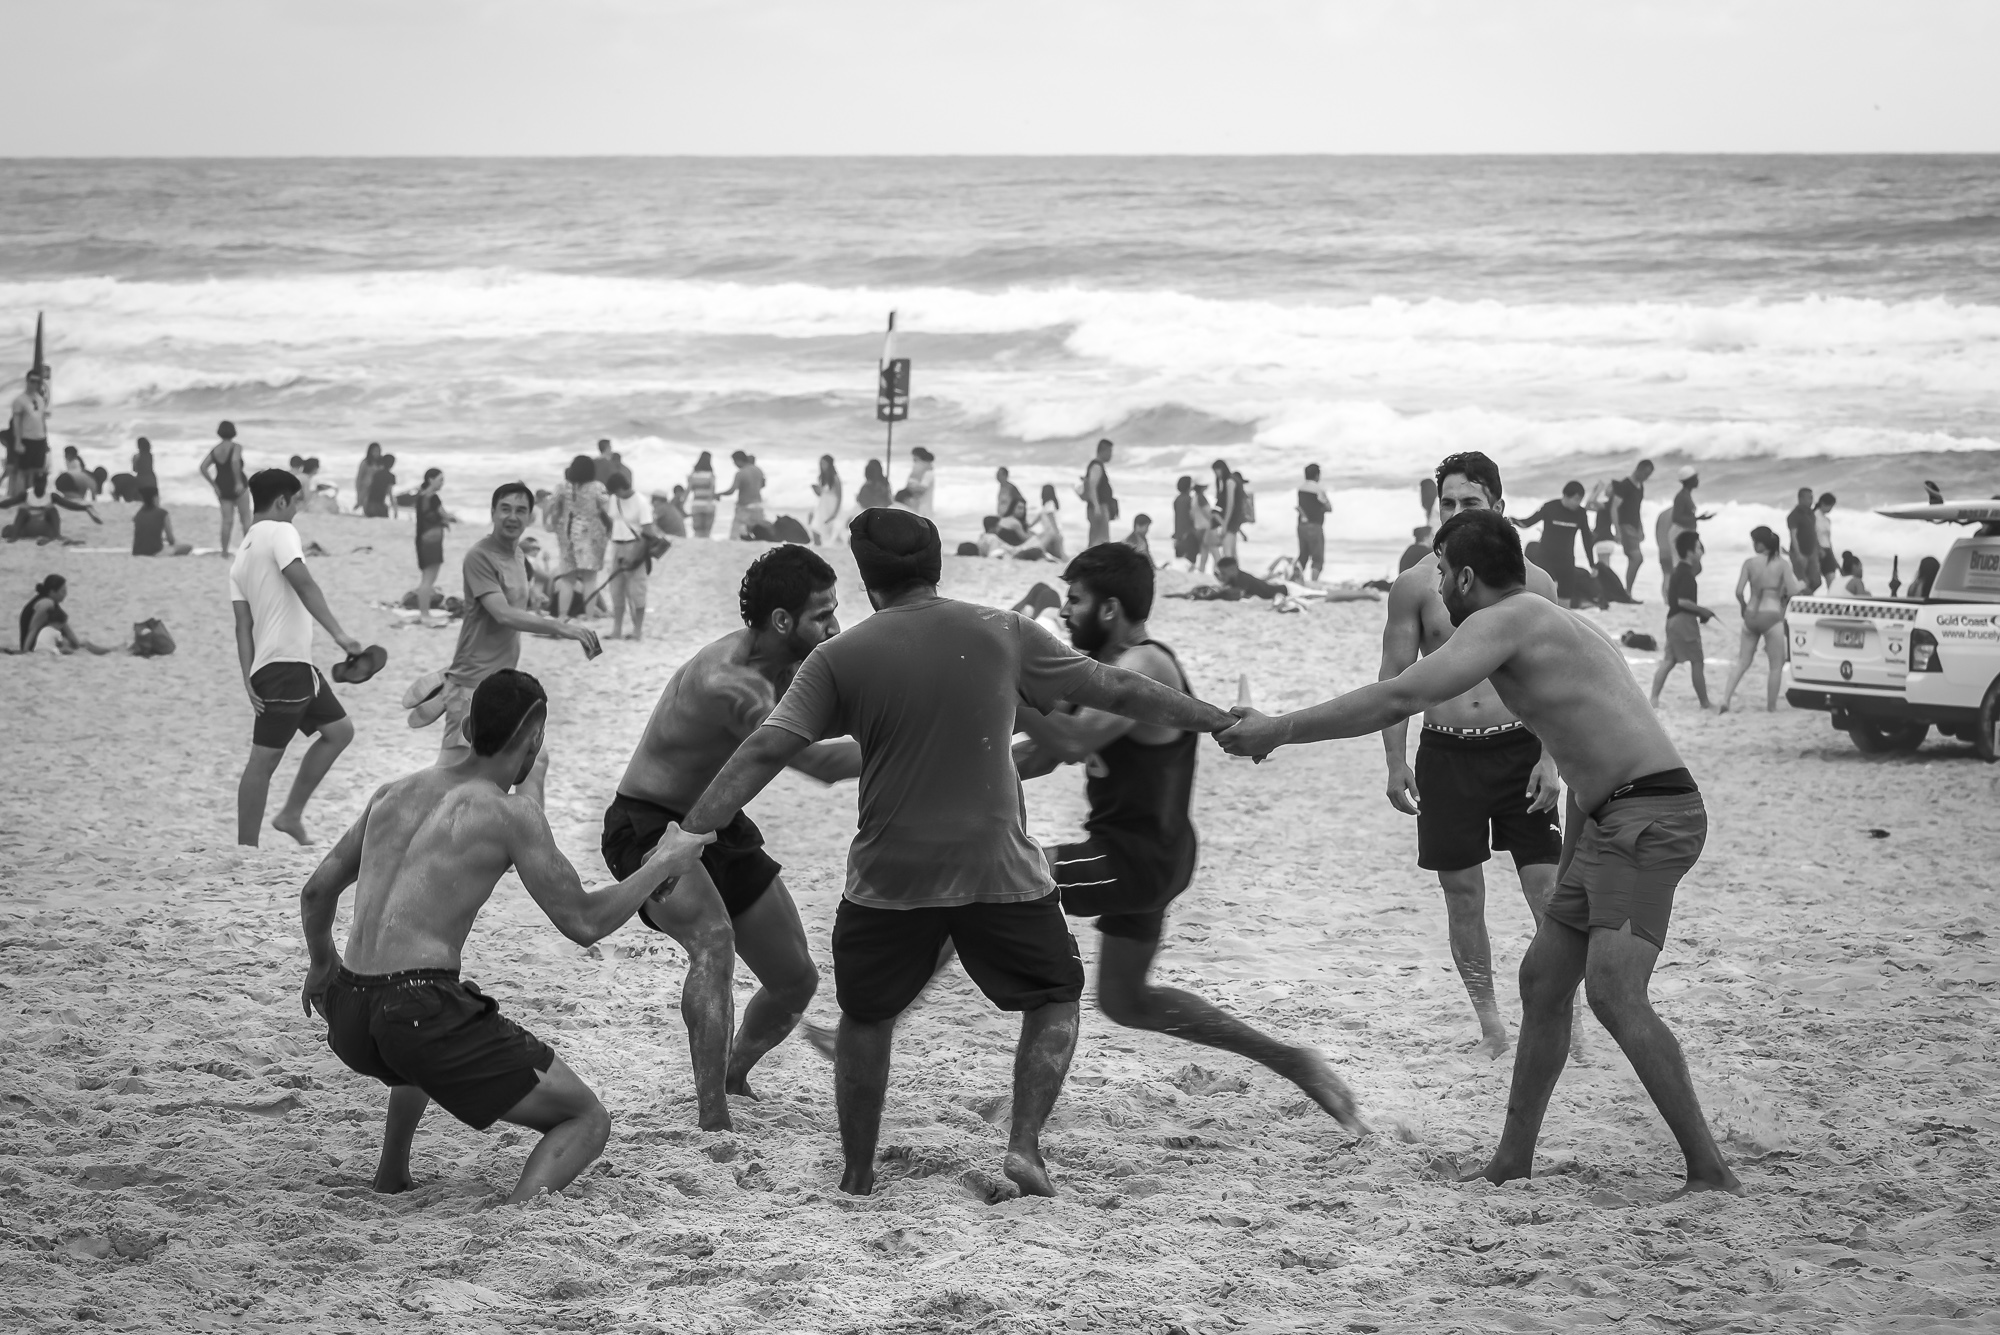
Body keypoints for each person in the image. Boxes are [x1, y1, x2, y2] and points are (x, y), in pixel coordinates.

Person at [676, 508, 1239, 1200]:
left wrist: (693, 829)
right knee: (1057, 996)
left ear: (867, 579)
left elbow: (768, 748)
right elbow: (1116, 686)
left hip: (889, 877)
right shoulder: (1002, 630)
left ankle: (857, 1173)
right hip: (997, 870)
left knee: (866, 1016)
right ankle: (1025, 1146)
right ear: (937, 565)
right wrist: (1218, 719)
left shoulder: (838, 657)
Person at [1219, 508, 1740, 1196]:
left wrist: (1278, 729)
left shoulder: (1506, 620)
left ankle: (1710, 1171)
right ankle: (1512, 1161)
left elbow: (1399, 694)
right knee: (1544, 981)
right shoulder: (1555, 623)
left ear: (1465, 575)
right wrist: (1578, 869)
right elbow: (1590, 757)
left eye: (1439, 570)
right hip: (1613, 813)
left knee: (1614, 993)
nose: (1436, 583)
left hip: (1649, 815)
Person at [300, 668, 714, 1204]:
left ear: (469, 729)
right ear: (535, 738)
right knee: (586, 1117)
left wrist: (320, 964)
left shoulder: (392, 794)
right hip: (417, 1012)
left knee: (418, 1045)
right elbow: (584, 922)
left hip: (351, 1013)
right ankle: (520, 1216)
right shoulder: (509, 815)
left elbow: (316, 893)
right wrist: (664, 861)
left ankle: (392, 1174)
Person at [1014, 544, 1366, 1125]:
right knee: (1128, 1001)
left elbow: (1071, 742)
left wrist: (1006, 687)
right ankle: (1294, 1062)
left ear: (1109, 608)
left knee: (995, 875)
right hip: (1149, 853)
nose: (1067, 614)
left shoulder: (1146, 666)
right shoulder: (1105, 674)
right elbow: (1045, 753)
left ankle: (882, 1017)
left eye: (1074, 601)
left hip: (1133, 857)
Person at [604, 547, 862, 1130]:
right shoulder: (733, 684)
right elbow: (820, 761)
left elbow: (849, 705)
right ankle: (712, 1117)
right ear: (780, 621)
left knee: (796, 980)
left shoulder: (784, 661)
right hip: (649, 825)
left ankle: (733, 1072)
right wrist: (914, 741)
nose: (835, 627)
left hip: (718, 823)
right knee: (714, 941)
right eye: (822, 615)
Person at [1379, 452, 1563, 1057]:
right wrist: (1395, 761)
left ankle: (1566, 1016)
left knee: (1548, 895)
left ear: (1500, 509)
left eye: (1471, 504)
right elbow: (1394, 679)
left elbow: (1554, 684)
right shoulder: (1414, 587)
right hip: (1447, 755)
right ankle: (1490, 1024)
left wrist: (1551, 761)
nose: (1457, 515)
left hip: (1519, 752)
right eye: (1449, 504)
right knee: (1463, 897)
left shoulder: (1536, 587)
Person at [230, 469, 367, 846]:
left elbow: (243, 626)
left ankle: (290, 814)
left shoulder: (242, 554)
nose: (299, 509)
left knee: (339, 732)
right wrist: (341, 636)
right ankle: (247, 848)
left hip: (289, 668)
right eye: (297, 501)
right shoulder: (281, 532)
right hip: (285, 668)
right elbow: (303, 582)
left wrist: (247, 677)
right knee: (263, 762)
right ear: (281, 502)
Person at [436, 483, 602, 765]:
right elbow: (502, 613)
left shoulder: (518, 555)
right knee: (451, 772)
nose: (512, 517)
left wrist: (536, 596)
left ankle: (524, 811)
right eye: (505, 509)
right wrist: (560, 627)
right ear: (492, 513)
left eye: (520, 510)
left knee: (534, 762)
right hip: (471, 681)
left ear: (529, 517)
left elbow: (516, 601)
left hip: (501, 682)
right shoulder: (479, 556)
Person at [1718, 526, 1796, 714]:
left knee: (1742, 662)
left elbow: (1738, 591)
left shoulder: (1749, 563)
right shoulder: (1783, 564)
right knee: (1775, 666)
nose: (1753, 544)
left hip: (1751, 615)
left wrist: (1743, 606)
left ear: (1762, 543)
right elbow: (1793, 591)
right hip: (1772, 615)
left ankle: (1725, 699)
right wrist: (1783, 600)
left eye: (1755, 541)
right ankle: (1771, 707)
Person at [1650, 532, 1714, 710]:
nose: (1702, 551)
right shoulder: (1686, 574)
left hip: (1672, 620)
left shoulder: (1679, 571)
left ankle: (1653, 698)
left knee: (1669, 660)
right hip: (1684, 621)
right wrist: (1703, 610)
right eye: (1699, 548)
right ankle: (1705, 703)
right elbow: (1683, 601)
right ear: (1689, 551)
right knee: (1697, 661)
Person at [547, 455, 610, 619]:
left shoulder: (562, 487)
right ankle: (589, 615)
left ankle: (562, 614)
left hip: (567, 534)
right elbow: (606, 508)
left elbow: (552, 505)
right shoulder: (597, 487)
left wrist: (552, 523)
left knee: (568, 579)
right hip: (591, 535)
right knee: (590, 579)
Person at [1514, 482, 1590, 606]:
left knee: (1565, 603)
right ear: (1565, 495)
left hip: (1567, 561)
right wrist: (1512, 521)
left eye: (1580, 500)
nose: (1578, 503)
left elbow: (1587, 538)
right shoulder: (1550, 507)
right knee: (1547, 595)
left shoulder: (1580, 513)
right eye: (1576, 499)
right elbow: (1528, 522)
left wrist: (1592, 563)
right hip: (1546, 558)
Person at [605, 471, 653, 640]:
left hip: (634, 545)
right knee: (616, 589)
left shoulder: (641, 501)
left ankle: (637, 631)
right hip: (617, 544)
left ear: (622, 487)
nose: (616, 495)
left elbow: (648, 532)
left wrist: (635, 555)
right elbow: (613, 522)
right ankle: (616, 629)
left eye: (617, 491)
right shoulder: (614, 499)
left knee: (636, 590)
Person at [17, 574, 114, 654]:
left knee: (84, 644)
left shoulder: (52, 603)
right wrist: (25, 652)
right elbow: (32, 630)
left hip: (46, 644)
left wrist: (77, 643)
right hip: (38, 647)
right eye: (63, 591)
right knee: (82, 646)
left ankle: (112, 651)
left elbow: (66, 629)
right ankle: (113, 651)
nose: (66, 594)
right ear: (52, 592)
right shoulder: (46, 604)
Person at [200, 421, 252, 554]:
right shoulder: (236, 447)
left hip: (222, 486)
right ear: (233, 431)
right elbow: (234, 461)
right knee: (245, 518)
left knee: (227, 521)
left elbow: (203, 467)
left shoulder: (215, 449)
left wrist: (214, 485)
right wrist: (238, 482)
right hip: (237, 486)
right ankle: (249, 551)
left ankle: (224, 551)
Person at [1660, 466, 1710, 586]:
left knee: (1695, 562)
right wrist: (1698, 518)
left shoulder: (1686, 495)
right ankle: (1678, 589)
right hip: (1680, 533)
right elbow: (1676, 518)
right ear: (1690, 480)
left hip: (1687, 532)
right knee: (1681, 564)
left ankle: (1681, 587)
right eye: (1695, 478)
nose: (1698, 480)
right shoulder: (1681, 497)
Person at [413, 468, 450, 627]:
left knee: (426, 579)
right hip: (432, 541)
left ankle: (424, 612)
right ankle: (425, 614)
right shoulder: (433, 498)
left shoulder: (420, 496)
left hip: (422, 539)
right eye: (440, 479)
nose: (442, 483)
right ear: (430, 479)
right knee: (428, 580)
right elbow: (444, 515)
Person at [1611, 461, 1653, 595]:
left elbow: (1637, 509)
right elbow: (1614, 508)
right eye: (1645, 473)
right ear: (1638, 469)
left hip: (1634, 526)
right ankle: (1627, 591)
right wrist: (1617, 530)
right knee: (1636, 558)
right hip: (1625, 525)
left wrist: (1641, 528)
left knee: (1634, 559)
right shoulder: (1625, 485)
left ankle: (1628, 591)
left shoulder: (1640, 487)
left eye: (1649, 475)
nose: (1646, 477)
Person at [9, 369, 51, 500]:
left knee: (38, 470)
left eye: (37, 382)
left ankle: (34, 497)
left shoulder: (40, 399)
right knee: (23, 471)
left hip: (40, 439)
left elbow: (42, 420)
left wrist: (46, 440)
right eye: (32, 381)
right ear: (27, 381)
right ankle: (20, 497)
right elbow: (17, 422)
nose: (34, 385)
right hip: (27, 439)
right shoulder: (20, 400)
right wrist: (18, 441)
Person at [719, 450, 767, 540]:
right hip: (758, 506)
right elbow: (763, 485)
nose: (734, 464)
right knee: (755, 535)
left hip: (745, 508)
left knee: (735, 536)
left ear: (738, 460)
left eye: (734, 462)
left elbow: (732, 490)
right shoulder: (758, 470)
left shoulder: (740, 473)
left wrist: (719, 494)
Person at [132, 486, 191, 557]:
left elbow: (144, 534)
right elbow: (171, 540)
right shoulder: (163, 513)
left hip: (136, 551)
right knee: (188, 547)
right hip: (155, 552)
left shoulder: (139, 514)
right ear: (154, 498)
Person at [1296, 464, 1332, 581]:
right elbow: (1329, 507)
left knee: (1303, 556)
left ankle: (1296, 580)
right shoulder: (1318, 490)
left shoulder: (1300, 489)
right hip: (1314, 526)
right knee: (1317, 559)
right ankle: (1313, 583)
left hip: (1301, 525)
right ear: (1317, 475)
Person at [1784, 487, 1821, 594]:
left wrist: (1818, 548)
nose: (1811, 501)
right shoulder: (1794, 515)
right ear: (1801, 499)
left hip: (1812, 552)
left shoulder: (1810, 513)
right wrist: (1798, 553)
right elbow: (1793, 535)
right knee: (1803, 582)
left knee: (1816, 581)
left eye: (1812, 498)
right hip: (1800, 553)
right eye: (1809, 498)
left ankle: (1805, 596)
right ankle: (1797, 599)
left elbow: (1813, 532)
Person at [1081, 439, 1116, 548]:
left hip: (1098, 506)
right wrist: (1097, 507)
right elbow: (1092, 486)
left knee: (1098, 539)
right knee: (1100, 540)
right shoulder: (1096, 466)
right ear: (1103, 451)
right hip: (1099, 506)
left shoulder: (1096, 465)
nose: (1111, 455)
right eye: (1110, 451)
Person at [1211, 459, 1244, 561]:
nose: (1216, 474)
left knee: (1227, 551)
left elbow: (1230, 504)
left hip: (1231, 520)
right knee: (1232, 551)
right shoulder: (1234, 480)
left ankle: (1230, 574)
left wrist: (1225, 524)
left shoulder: (1230, 481)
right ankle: (1235, 573)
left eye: (1216, 471)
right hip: (1235, 519)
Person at [1590, 540, 1637, 604]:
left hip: (1602, 540)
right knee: (1604, 568)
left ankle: (1606, 594)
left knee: (1604, 568)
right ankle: (1608, 594)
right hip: (1605, 540)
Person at [811, 455, 844, 545]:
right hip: (823, 506)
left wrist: (835, 513)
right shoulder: (822, 478)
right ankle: (818, 548)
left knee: (830, 534)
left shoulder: (835, 478)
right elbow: (821, 494)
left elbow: (840, 496)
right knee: (815, 528)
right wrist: (815, 490)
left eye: (824, 464)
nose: (822, 466)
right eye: (821, 464)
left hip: (831, 507)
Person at [686, 452, 719, 539]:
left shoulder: (693, 475)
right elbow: (712, 491)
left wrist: (682, 502)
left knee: (697, 531)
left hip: (696, 505)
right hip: (708, 504)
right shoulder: (711, 476)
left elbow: (688, 490)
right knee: (707, 531)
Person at [1032, 483, 1067, 561]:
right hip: (1054, 532)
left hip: (1051, 533)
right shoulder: (1049, 505)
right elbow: (1039, 517)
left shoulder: (1049, 504)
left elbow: (1051, 518)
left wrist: (1056, 531)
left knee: (1041, 549)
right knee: (1060, 554)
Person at [1171, 476, 1200, 564]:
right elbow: (1192, 517)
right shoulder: (1190, 500)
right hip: (1188, 535)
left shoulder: (1177, 499)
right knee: (1190, 564)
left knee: (1180, 564)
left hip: (1178, 535)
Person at [1814, 494, 1839, 594]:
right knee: (1815, 581)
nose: (1831, 509)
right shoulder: (1813, 516)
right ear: (1824, 503)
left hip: (1827, 551)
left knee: (1832, 582)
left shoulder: (1827, 520)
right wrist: (1818, 549)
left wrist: (1834, 558)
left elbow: (1829, 540)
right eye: (1831, 506)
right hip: (1817, 551)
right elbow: (1813, 535)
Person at [901, 446, 934, 517]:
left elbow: (922, 489)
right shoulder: (920, 471)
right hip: (916, 507)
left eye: (914, 456)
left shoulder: (928, 473)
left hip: (923, 508)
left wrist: (908, 490)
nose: (913, 459)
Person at [364, 452, 398, 520]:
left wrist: (365, 504)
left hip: (370, 504)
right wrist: (395, 510)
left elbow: (368, 489)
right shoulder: (391, 476)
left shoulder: (376, 474)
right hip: (380, 505)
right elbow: (390, 493)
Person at [355, 443, 384, 518]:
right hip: (366, 487)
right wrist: (358, 494)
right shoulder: (365, 462)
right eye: (374, 451)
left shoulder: (381, 462)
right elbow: (359, 478)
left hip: (377, 489)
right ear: (370, 451)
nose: (376, 453)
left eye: (378, 450)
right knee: (367, 508)